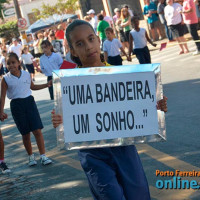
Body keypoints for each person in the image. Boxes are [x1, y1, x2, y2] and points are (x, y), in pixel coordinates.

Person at [52, 20, 168, 200]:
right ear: (72, 51)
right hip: (92, 153)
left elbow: (140, 109)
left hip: (124, 148)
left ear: (98, 41)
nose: (88, 46)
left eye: (91, 39)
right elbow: (67, 121)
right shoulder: (69, 84)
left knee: (139, 195)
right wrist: (59, 121)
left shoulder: (121, 75)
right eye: (80, 44)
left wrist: (157, 107)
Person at [0, 53, 52, 167]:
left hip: (29, 102)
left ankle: (43, 156)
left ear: (19, 63)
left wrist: (46, 85)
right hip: (16, 106)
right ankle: (31, 157)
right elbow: (2, 96)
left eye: (13, 62)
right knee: (25, 133)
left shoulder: (26, 74)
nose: (11, 65)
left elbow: (32, 87)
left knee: (37, 130)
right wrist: (1, 111)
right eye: (8, 63)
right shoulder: (5, 79)